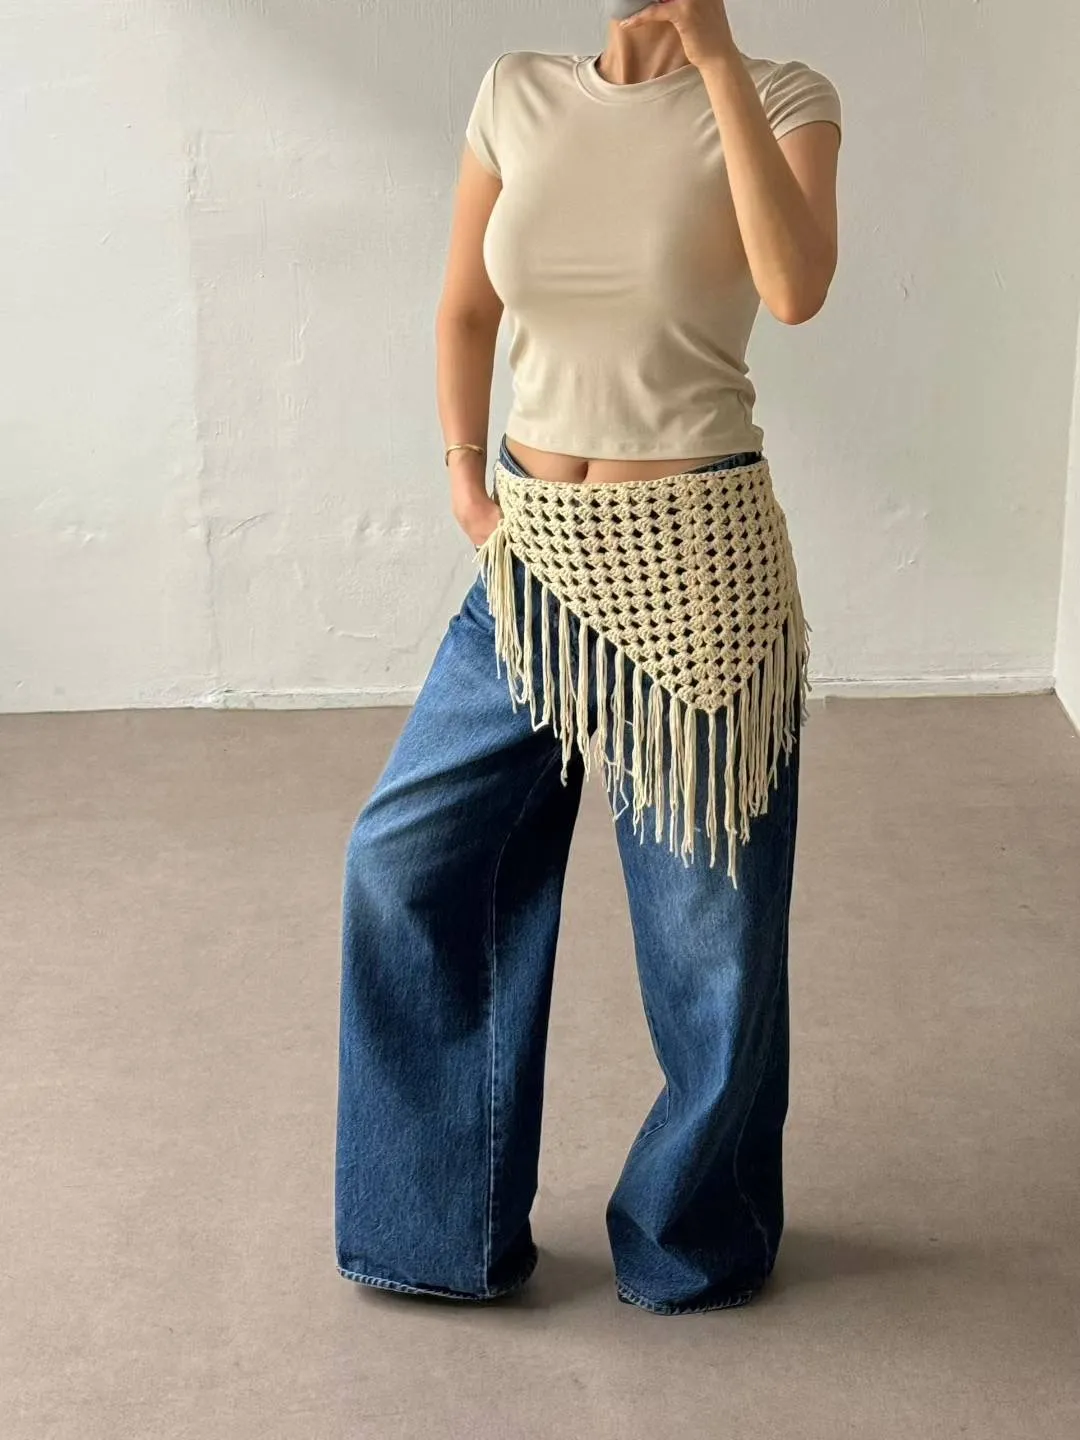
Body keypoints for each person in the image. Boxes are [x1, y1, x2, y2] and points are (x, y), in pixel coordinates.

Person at [335, 0, 842, 1315]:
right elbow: (466, 308)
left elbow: (794, 290)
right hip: (533, 559)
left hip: (698, 565)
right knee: (403, 859)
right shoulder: (517, 92)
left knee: (711, 947)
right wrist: (466, 480)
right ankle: (437, 1229)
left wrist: (716, 59)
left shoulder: (785, 96)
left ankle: (693, 1241)